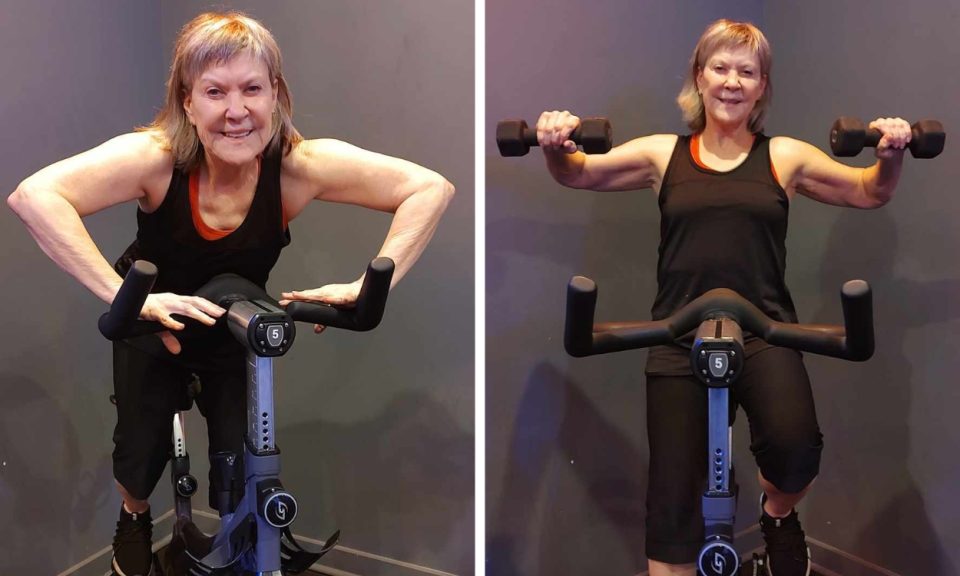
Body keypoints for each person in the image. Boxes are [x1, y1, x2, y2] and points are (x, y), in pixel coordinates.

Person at [7, 12, 453, 576]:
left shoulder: (297, 166)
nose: (236, 111)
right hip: (153, 325)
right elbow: (35, 196)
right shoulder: (155, 157)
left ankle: (238, 542)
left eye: (252, 89)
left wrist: (366, 285)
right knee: (139, 456)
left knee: (241, 467)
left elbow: (428, 189)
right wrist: (131, 298)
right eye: (215, 92)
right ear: (188, 103)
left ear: (276, 95)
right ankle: (135, 515)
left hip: (230, 322)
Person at [535, 19, 909, 576]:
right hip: (677, 332)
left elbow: (867, 190)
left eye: (747, 72)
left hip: (766, 330)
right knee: (673, 501)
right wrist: (555, 142)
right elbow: (578, 174)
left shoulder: (785, 156)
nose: (732, 81)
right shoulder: (664, 153)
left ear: (762, 87)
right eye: (721, 67)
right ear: (699, 77)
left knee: (795, 450)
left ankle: (777, 515)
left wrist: (891, 152)